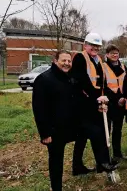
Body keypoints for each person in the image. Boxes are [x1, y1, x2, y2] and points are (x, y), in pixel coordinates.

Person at [32, 51, 82, 191]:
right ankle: (56, 188)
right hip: (53, 131)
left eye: (69, 61)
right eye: (63, 60)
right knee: (56, 162)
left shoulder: (69, 78)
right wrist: (45, 133)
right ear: (55, 61)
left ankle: (78, 167)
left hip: (68, 127)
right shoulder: (44, 79)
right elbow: (39, 109)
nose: (67, 63)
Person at [70, 32, 118, 175]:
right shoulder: (80, 58)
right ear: (85, 45)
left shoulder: (98, 61)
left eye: (97, 46)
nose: (95, 48)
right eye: (92, 45)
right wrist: (97, 98)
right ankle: (102, 162)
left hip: (95, 101)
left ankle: (80, 166)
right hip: (83, 103)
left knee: (83, 137)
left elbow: (102, 83)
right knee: (96, 133)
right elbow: (82, 81)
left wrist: (107, 97)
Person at [103, 44, 127, 163]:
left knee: (118, 130)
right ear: (107, 54)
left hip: (121, 102)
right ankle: (105, 155)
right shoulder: (103, 67)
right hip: (109, 103)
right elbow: (103, 86)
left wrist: (124, 97)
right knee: (107, 130)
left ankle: (117, 153)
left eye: (116, 53)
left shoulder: (123, 66)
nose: (115, 55)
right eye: (112, 53)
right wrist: (115, 99)